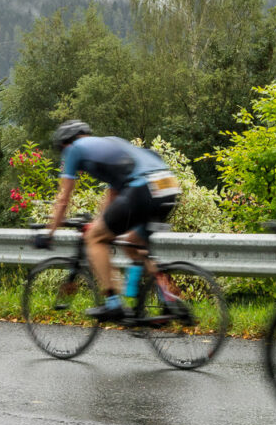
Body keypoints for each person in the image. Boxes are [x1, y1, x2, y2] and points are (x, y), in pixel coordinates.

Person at [33, 120, 180, 320]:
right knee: (132, 243)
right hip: (168, 186)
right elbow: (113, 196)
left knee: (94, 239)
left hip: (142, 187)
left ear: (66, 143)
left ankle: (113, 304)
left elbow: (63, 198)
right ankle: (169, 301)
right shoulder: (111, 143)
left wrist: (49, 232)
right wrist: (98, 222)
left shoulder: (74, 149)